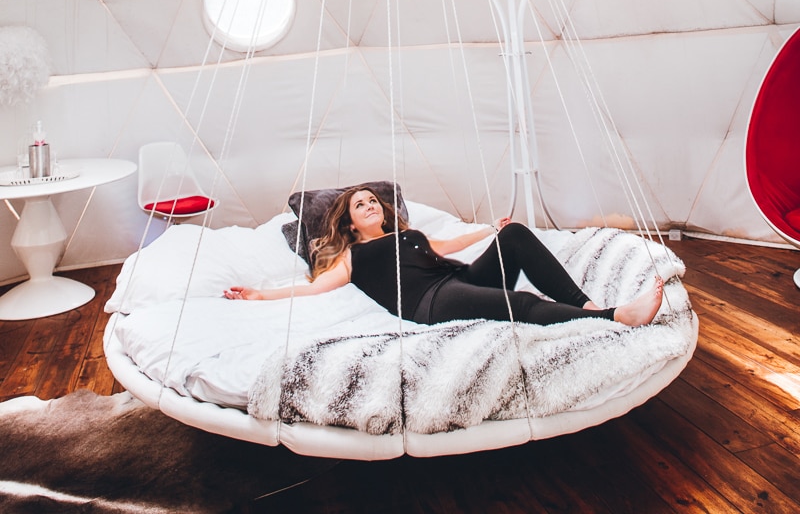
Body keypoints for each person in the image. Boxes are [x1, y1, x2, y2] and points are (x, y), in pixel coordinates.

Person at [224, 186, 664, 327]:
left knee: (516, 235)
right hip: (431, 303)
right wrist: (260, 296)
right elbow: (313, 286)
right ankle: (612, 317)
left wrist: (492, 230)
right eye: (359, 205)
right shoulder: (355, 257)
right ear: (351, 223)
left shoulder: (410, 234)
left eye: (372, 200)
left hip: (462, 277)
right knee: (522, 305)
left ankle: (584, 302)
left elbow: (449, 247)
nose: (370, 205)